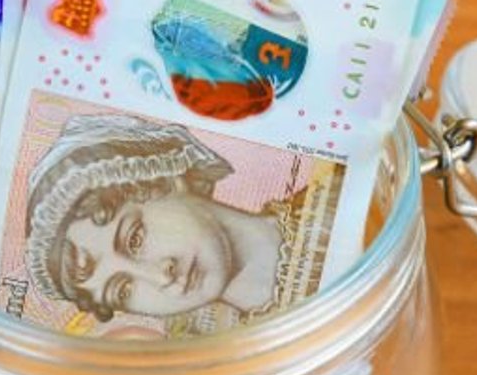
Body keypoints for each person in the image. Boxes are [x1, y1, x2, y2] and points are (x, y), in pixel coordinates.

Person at [24, 112, 296, 325]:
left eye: (135, 238)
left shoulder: (329, 207)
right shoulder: (216, 370)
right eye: (123, 291)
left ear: (167, 178)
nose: (159, 276)